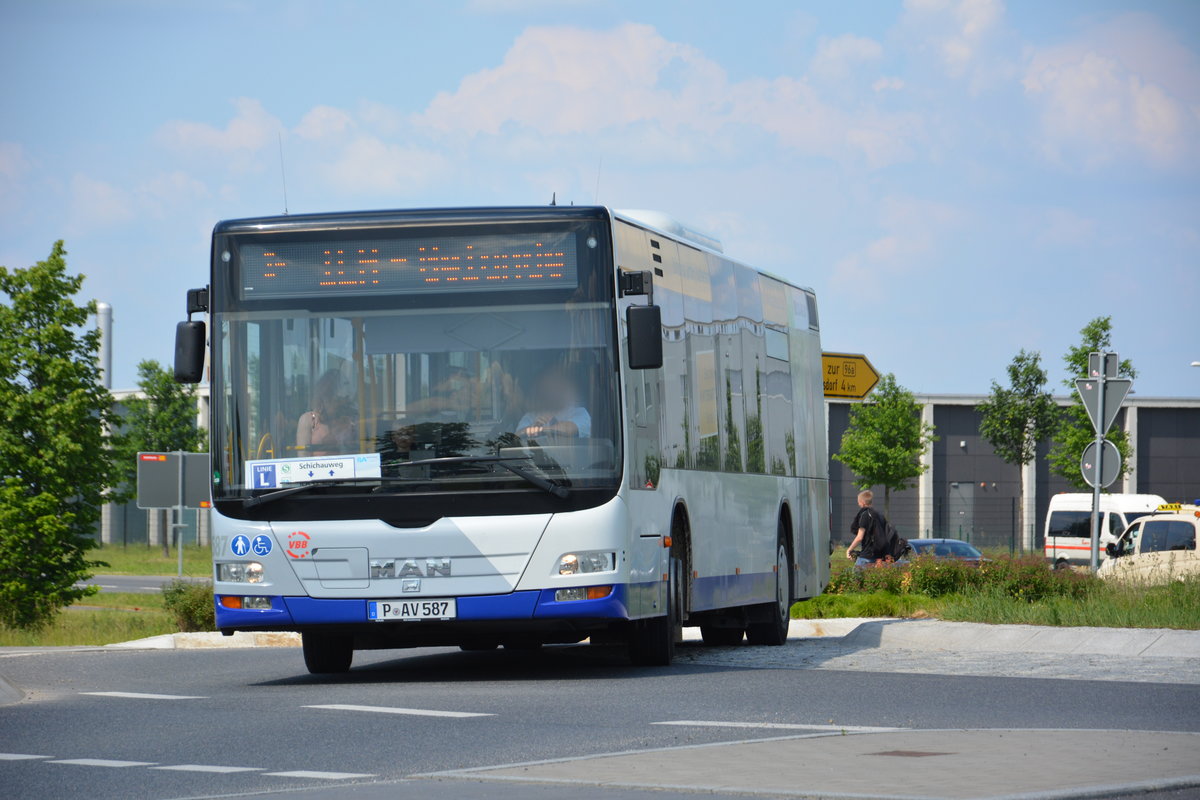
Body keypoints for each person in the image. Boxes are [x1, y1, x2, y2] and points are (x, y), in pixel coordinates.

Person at [516, 365, 590, 439]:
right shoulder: (530, 417)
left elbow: (568, 429)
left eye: (557, 385)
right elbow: (516, 437)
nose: (552, 390)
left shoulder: (580, 413)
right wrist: (532, 427)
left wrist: (538, 430)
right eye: (547, 386)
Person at [296, 369, 355, 456]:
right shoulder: (309, 419)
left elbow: (356, 453)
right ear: (321, 398)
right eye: (329, 397)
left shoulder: (350, 421)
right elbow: (302, 456)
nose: (335, 402)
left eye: (338, 397)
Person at [846, 490, 883, 568]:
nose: (858, 503)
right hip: (878, 553)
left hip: (867, 555)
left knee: (856, 577)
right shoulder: (877, 514)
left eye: (858, 502)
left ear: (863, 502)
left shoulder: (865, 515)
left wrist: (849, 549)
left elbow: (860, 537)